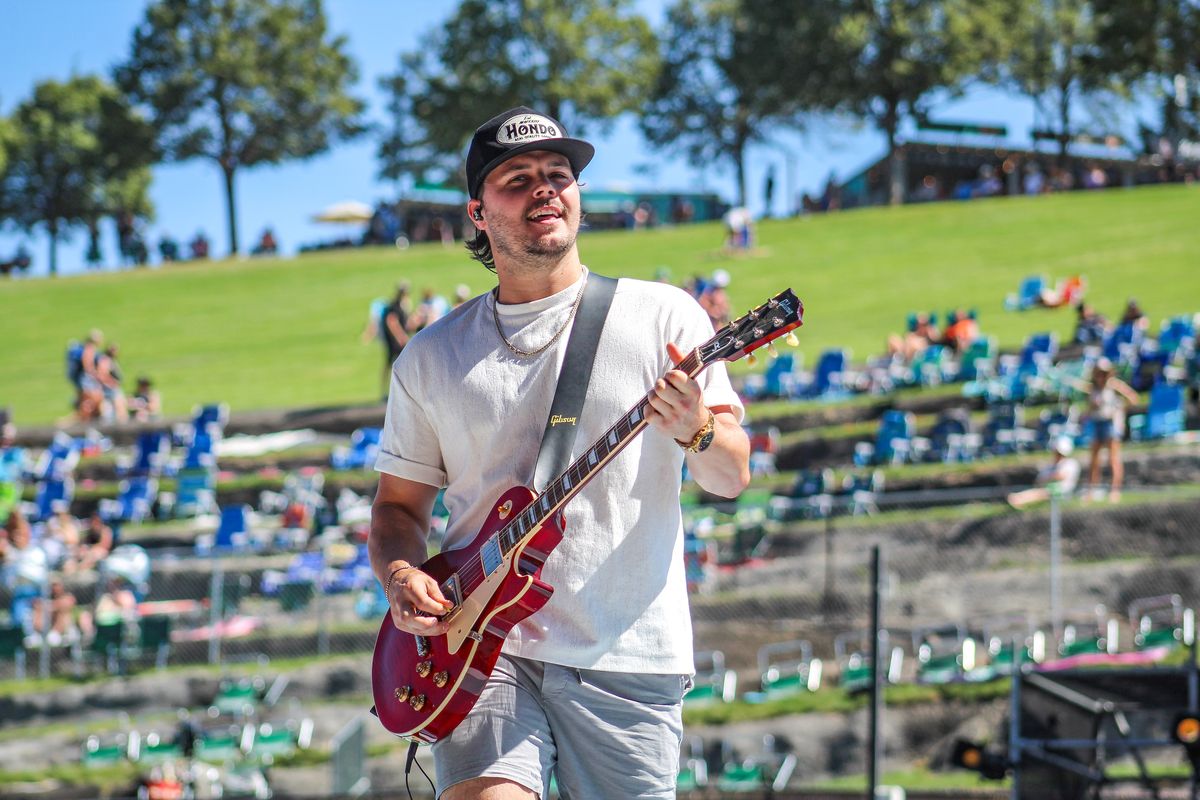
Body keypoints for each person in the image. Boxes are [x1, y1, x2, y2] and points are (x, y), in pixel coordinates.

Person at [368, 105, 750, 800]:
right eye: (517, 178)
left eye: (558, 174)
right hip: (482, 647)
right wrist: (399, 574)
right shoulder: (429, 357)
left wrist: (697, 426)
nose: (545, 187)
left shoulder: (664, 317)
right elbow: (397, 507)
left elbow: (730, 474)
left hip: (627, 650)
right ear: (478, 213)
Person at [1081, 358, 1140, 502]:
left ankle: (1115, 491)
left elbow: (1133, 398)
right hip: (1097, 423)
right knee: (1094, 459)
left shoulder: (1114, 385)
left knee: (1113, 458)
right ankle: (1091, 490)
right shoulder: (1093, 389)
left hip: (1110, 424)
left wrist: (1119, 409)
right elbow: (1090, 409)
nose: (1100, 376)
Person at [1007, 436, 1082, 509]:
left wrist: (1048, 478)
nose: (1057, 455)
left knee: (1039, 493)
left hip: (1061, 492)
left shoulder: (1071, 463)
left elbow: (1061, 476)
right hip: (1050, 489)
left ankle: (1019, 500)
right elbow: (1040, 479)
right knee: (1037, 492)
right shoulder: (1051, 465)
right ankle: (1017, 498)